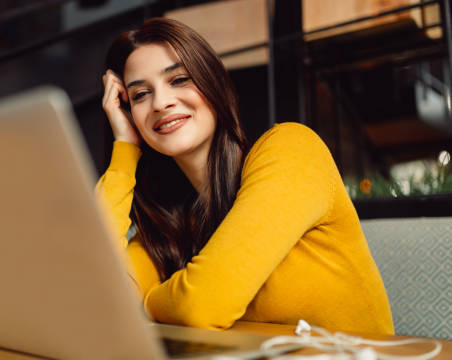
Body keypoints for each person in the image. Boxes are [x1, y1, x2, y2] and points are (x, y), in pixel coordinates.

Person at [96, 17, 394, 334]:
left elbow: (201, 305)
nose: (161, 102)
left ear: (214, 84)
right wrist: (125, 147)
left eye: (179, 79)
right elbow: (96, 297)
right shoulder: (174, 227)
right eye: (140, 94)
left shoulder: (292, 151)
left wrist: (148, 302)